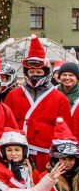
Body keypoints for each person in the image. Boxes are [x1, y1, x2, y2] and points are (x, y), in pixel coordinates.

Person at [5, 36, 72, 170]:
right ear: (26, 72)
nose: (35, 75)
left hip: (45, 151)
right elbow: (7, 121)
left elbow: (65, 127)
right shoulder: (14, 94)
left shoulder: (59, 98)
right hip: (18, 150)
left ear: (46, 73)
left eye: (39, 72)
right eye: (32, 72)